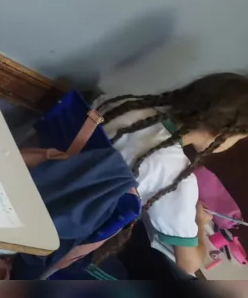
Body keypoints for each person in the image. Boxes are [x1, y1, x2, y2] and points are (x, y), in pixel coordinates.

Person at [91, 73, 248, 276]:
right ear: (222, 133)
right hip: (71, 233)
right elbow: (189, 264)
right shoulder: (177, 178)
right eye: (238, 139)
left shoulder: (123, 103)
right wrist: (199, 223)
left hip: (48, 179)